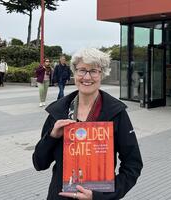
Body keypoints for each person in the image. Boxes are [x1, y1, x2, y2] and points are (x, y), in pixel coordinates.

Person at [32, 48, 143, 200]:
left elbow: (133, 165)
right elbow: (39, 163)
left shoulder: (116, 113)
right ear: (74, 73)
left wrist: (102, 195)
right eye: (82, 70)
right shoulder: (59, 112)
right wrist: (52, 137)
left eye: (94, 71)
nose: (87, 77)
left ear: (102, 74)